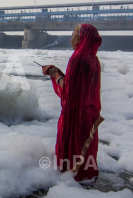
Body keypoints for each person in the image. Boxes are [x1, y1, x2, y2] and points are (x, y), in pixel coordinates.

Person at [42, 24, 104, 183]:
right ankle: (87, 177)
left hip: (75, 116)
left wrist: (54, 74)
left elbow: (69, 93)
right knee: (86, 149)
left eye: (74, 35)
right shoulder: (94, 59)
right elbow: (83, 89)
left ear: (82, 37)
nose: (71, 39)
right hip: (89, 116)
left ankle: (72, 180)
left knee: (72, 156)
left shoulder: (77, 59)